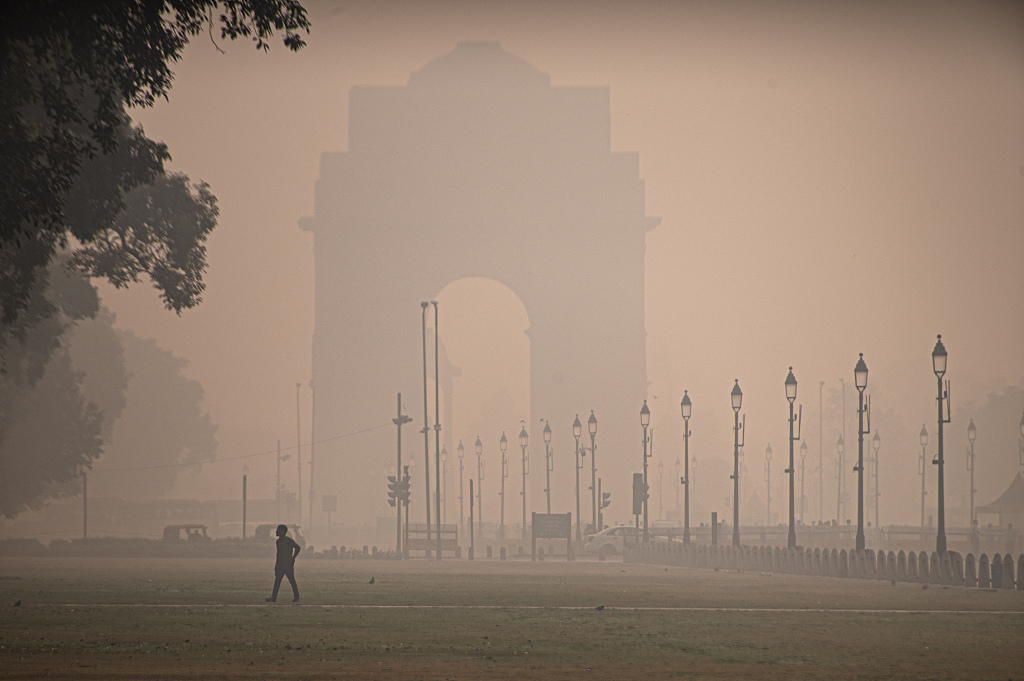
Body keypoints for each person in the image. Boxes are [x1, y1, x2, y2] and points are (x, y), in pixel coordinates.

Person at [266, 524, 301, 603]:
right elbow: (278, 554)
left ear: (282, 531)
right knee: (277, 582)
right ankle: (273, 598)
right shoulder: (278, 541)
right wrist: (276, 566)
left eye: (278, 530)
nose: (276, 531)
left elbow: (298, 547)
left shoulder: (289, 540)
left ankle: (296, 597)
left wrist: (293, 557)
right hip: (281, 564)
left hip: (287, 564)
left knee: (292, 581)